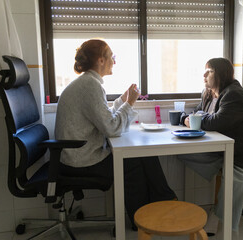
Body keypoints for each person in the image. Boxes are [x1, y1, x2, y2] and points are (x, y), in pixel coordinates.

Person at [55, 39, 176, 229]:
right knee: (134, 161)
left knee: (144, 154)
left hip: (76, 156)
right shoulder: (90, 85)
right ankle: (149, 216)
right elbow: (111, 127)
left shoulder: (88, 82)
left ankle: (162, 204)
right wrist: (129, 104)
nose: (114, 61)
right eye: (112, 57)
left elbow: (105, 116)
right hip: (80, 162)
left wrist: (123, 99)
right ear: (101, 60)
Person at [177, 57, 243, 234]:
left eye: (210, 71)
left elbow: (214, 122)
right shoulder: (207, 93)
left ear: (222, 74)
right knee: (180, 151)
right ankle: (218, 209)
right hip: (224, 151)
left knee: (236, 184)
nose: (204, 75)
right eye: (205, 70)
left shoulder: (235, 95)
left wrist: (189, 119)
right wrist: (190, 118)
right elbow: (198, 115)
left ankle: (225, 225)